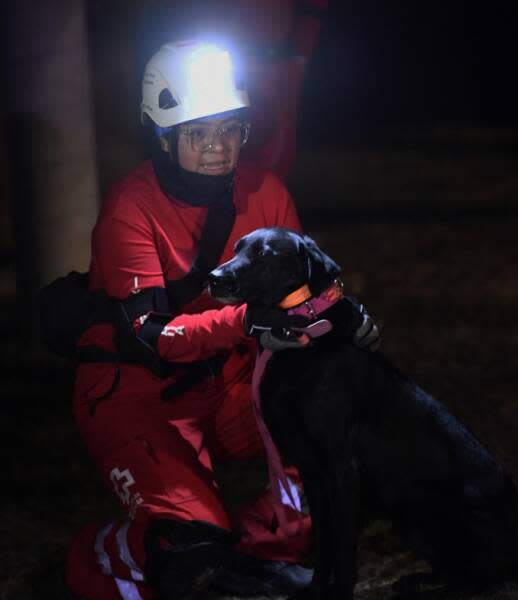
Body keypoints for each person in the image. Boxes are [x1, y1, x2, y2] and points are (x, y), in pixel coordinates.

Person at [65, 39, 379, 600]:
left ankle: (236, 556)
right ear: (163, 135)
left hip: (225, 379)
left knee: (320, 496)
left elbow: (304, 295)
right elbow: (151, 337)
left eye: (231, 128)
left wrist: (340, 316)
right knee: (189, 544)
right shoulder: (129, 209)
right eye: (199, 133)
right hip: (135, 393)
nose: (219, 147)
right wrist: (246, 323)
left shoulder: (265, 190)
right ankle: (106, 551)